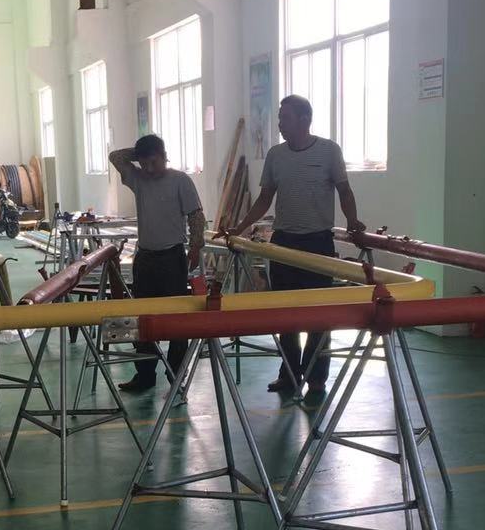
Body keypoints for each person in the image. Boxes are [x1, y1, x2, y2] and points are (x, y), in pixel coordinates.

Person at [233, 95, 365, 402]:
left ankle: (316, 378)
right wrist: (240, 227)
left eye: (285, 118)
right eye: (280, 118)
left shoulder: (329, 151)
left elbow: (344, 191)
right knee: (286, 314)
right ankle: (289, 375)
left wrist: (353, 222)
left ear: (305, 119)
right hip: (284, 243)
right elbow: (265, 198)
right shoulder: (276, 155)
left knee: (319, 314)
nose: (280, 123)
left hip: (317, 243)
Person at [109, 134, 205, 393]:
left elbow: (196, 216)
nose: (149, 169)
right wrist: (141, 154)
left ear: (164, 156)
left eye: (154, 162)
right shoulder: (138, 179)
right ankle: (145, 374)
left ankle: (176, 375)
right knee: (143, 319)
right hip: (145, 259)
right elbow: (115, 157)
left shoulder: (180, 181)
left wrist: (196, 246)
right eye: (144, 164)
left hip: (172, 259)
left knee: (177, 320)